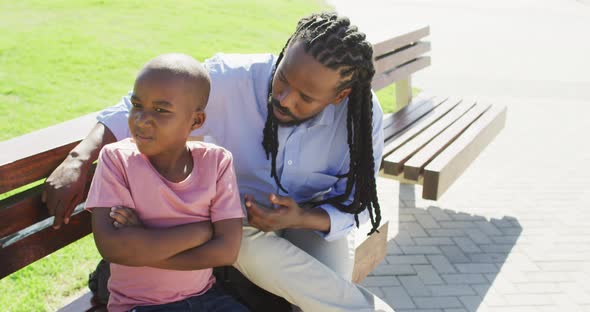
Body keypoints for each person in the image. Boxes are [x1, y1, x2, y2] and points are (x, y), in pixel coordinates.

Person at [45, 12, 394, 312]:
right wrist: (80, 156)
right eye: (283, 79)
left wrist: (300, 216)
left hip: (310, 221)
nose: (285, 99)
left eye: (306, 97)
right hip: (231, 224)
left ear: (340, 96)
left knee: (325, 295)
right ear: (284, 53)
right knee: (263, 253)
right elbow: (136, 109)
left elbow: (359, 202)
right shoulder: (231, 78)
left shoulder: (360, 120)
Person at [85, 53, 249, 312]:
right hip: (140, 306)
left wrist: (145, 245)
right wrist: (202, 232)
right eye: (137, 105)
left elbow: (227, 251)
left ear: (196, 121)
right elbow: (113, 247)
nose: (141, 120)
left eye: (161, 110)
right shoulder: (117, 159)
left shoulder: (217, 162)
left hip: (209, 300)